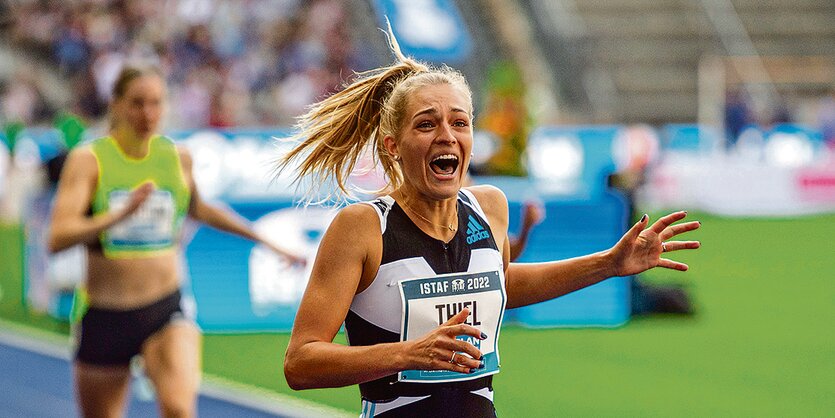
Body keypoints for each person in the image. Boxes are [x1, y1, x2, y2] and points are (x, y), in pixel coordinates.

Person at [278, 30, 700, 417]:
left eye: (459, 122)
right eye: (426, 124)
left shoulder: (489, 206)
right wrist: (409, 353)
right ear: (392, 146)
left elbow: (501, 285)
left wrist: (608, 263)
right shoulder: (363, 227)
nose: (446, 135)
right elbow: (301, 363)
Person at [47, 64, 303, 418]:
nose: (147, 114)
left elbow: (200, 209)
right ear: (117, 104)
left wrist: (268, 241)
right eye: (137, 103)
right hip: (105, 313)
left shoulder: (176, 157)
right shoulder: (89, 160)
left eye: (156, 103)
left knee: (180, 410)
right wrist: (117, 216)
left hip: (164, 308)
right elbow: (58, 237)